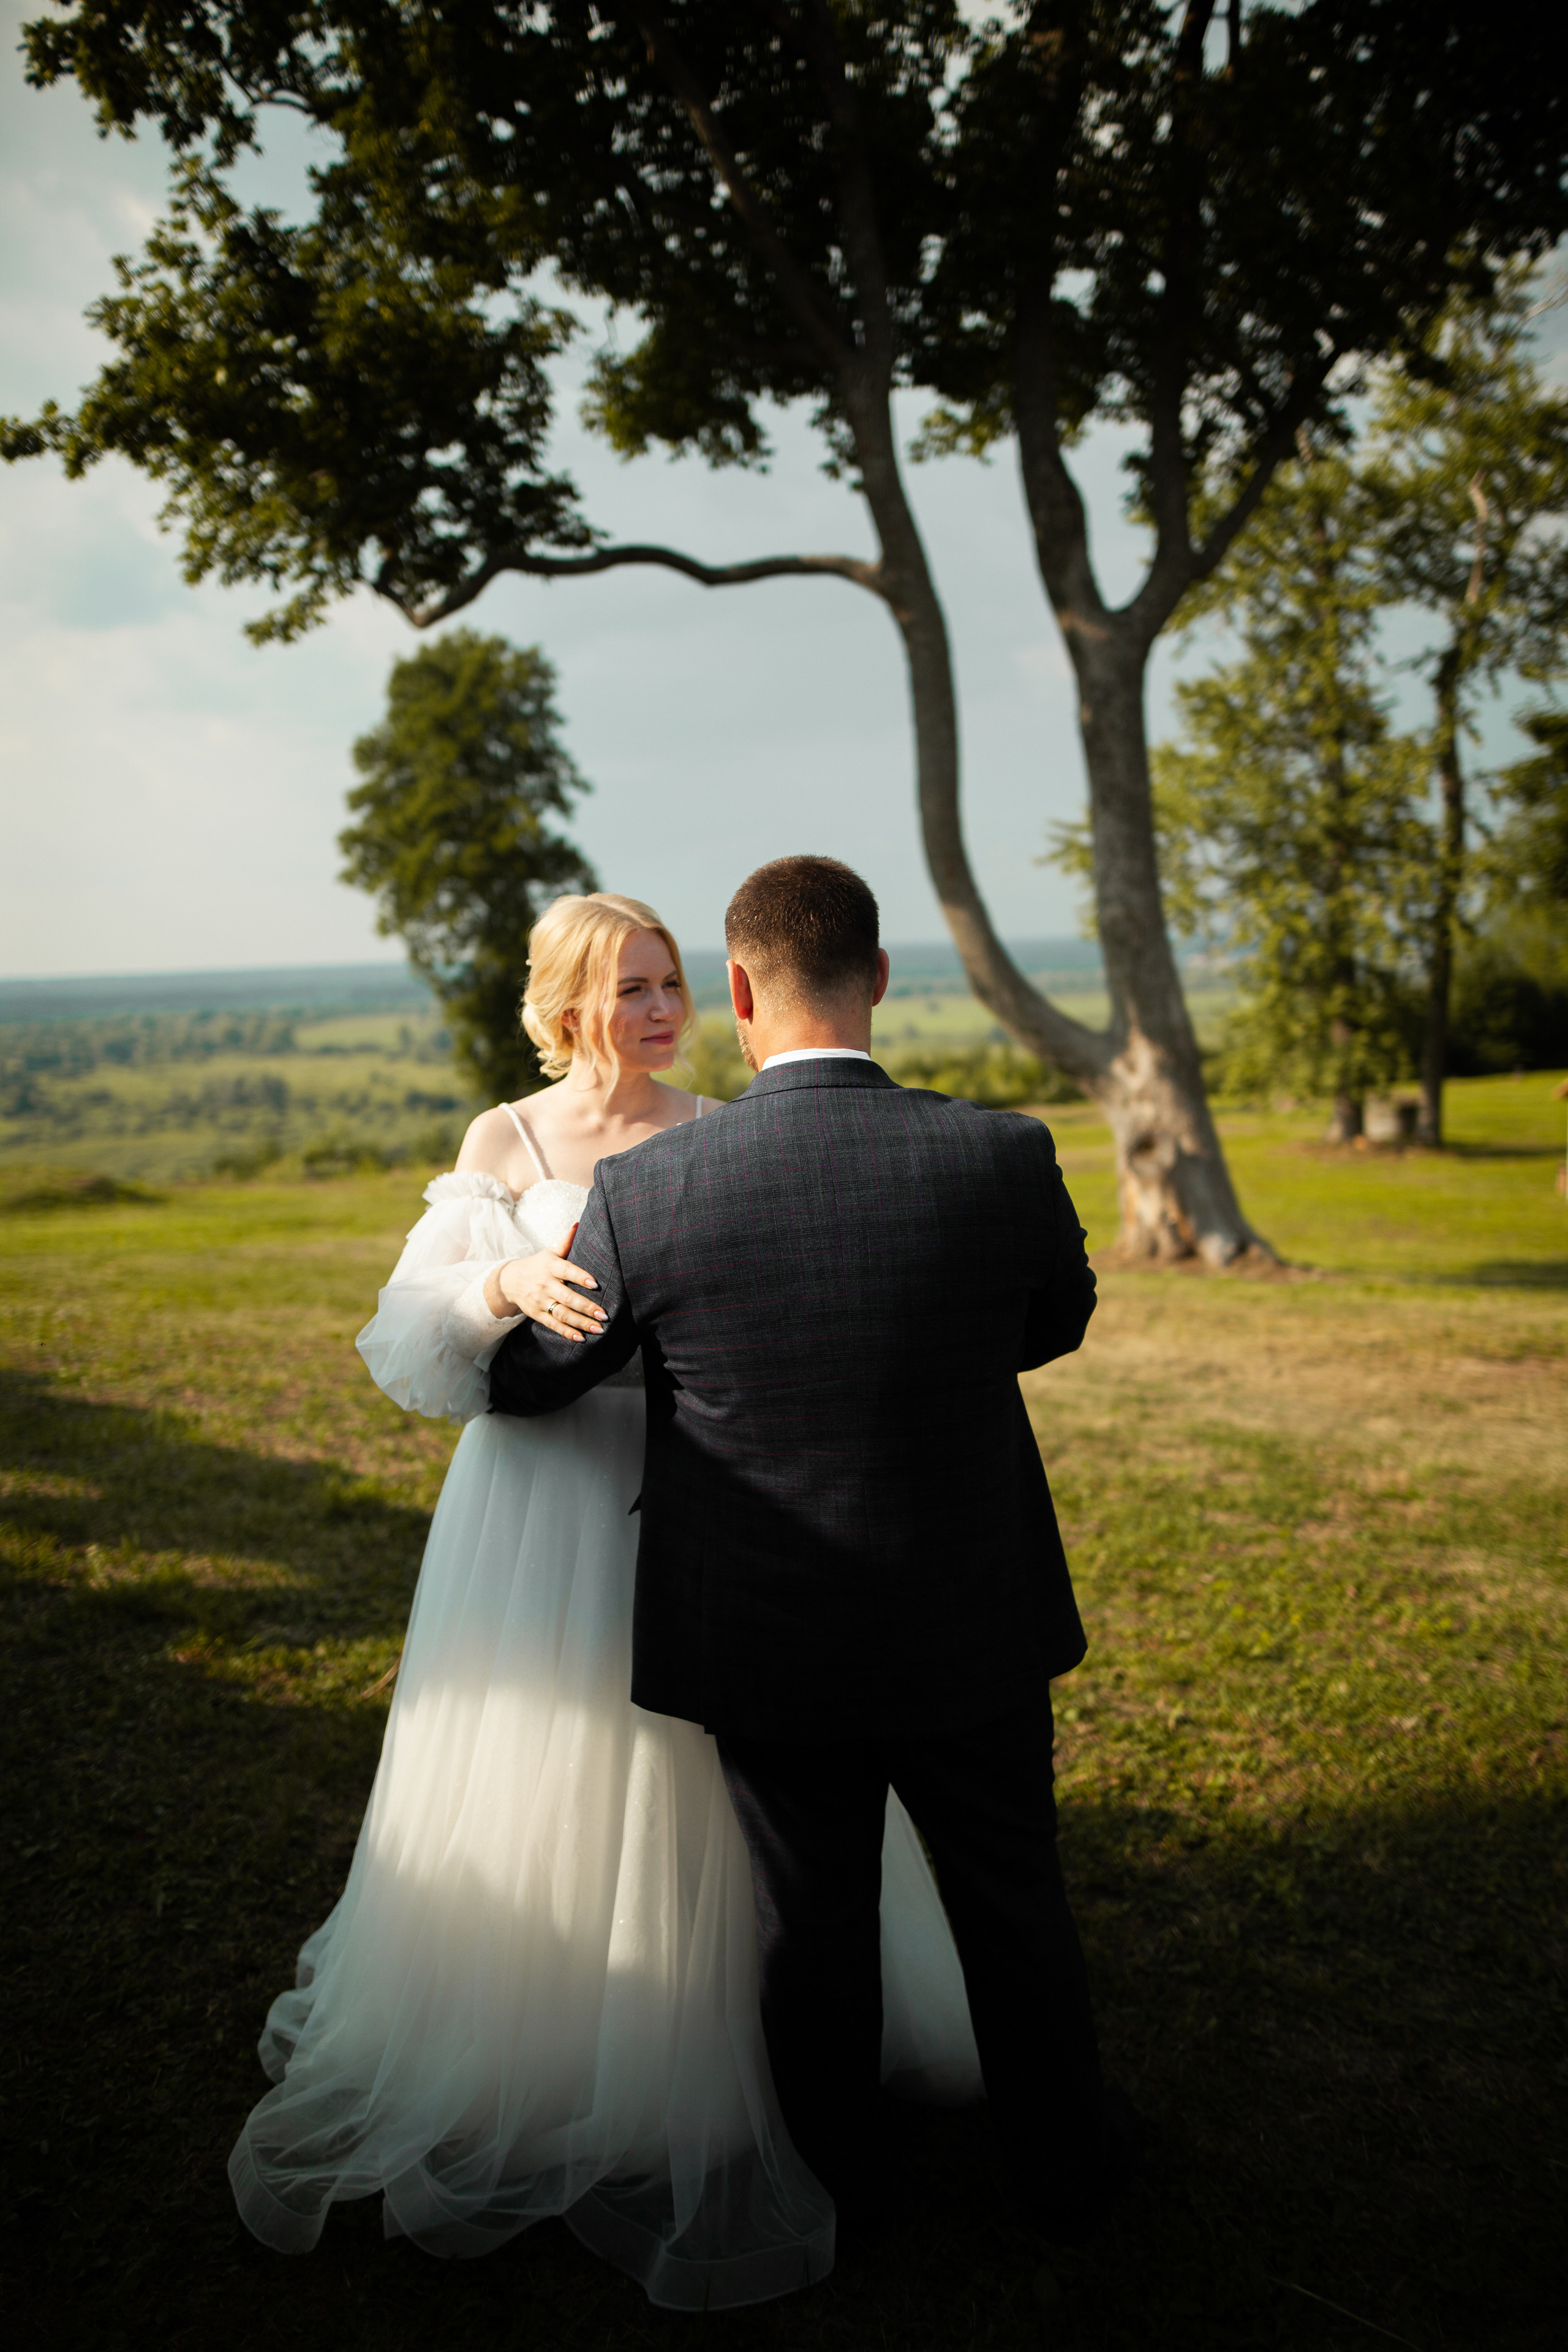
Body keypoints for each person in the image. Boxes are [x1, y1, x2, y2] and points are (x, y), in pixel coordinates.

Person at [228, 890, 981, 2310]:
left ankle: (718, 2053)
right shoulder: (503, 1142)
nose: (657, 1010)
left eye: (668, 983)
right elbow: (410, 1331)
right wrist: (504, 1275)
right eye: (627, 988)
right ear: (569, 1002)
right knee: (554, 1753)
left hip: (695, 1483)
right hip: (539, 1495)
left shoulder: (710, 1131)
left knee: (705, 1769)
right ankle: (543, 2041)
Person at [488, 857, 1128, 2244]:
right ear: (880, 978)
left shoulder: (655, 1189)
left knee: (808, 1922)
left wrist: (492, 1293)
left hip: (767, 1629)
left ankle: (837, 2191)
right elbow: (1057, 1315)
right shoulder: (1002, 1151)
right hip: (972, 1610)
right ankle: (1069, 2183)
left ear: (733, 991)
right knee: (1015, 1899)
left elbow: (535, 1380)